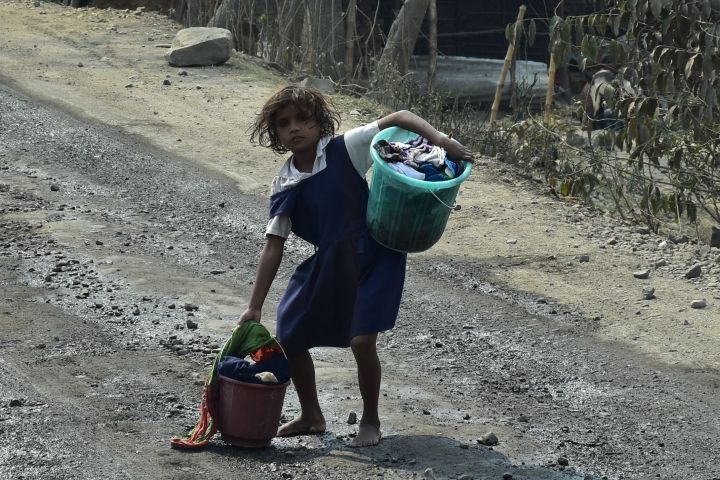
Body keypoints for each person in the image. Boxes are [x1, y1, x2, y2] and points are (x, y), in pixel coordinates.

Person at [238, 85, 473, 447]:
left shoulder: (344, 149)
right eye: (284, 124)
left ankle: (371, 420)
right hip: (330, 263)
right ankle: (311, 415)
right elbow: (273, 247)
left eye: (303, 119)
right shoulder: (284, 182)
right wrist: (254, 307)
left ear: (320, 123)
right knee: (290, 335)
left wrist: (444, 141)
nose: (295, 128)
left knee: (362, 341)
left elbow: (399, 118)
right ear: (276, 136)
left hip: (375, 254)